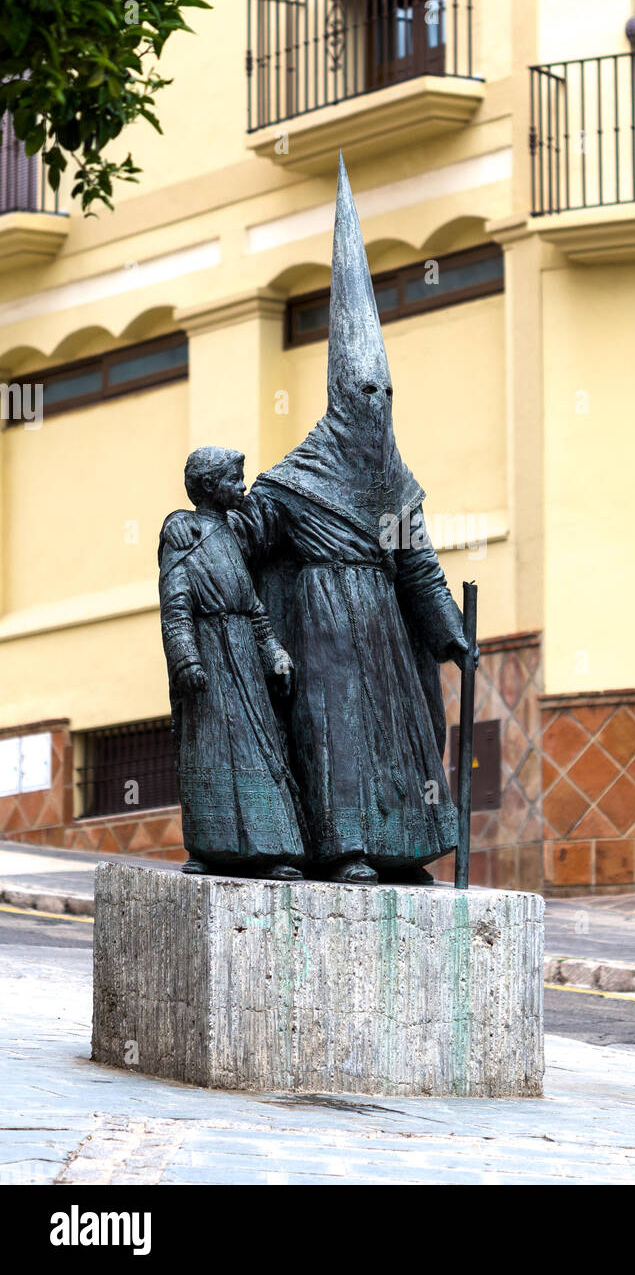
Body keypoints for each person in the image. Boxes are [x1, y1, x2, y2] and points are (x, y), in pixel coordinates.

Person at [165, 155, 476, 885]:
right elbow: (244, 531)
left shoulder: (394, 478)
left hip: (384, 630)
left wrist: (451, 635)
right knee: (335, 735)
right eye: (364, 389)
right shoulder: (297, 476)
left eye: (384, 391)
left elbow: (419, 567)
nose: (377, 401)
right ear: (341, 395)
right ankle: (346, 850)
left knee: (396, 737)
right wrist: (202, 522)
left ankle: (399, 849)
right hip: (322, 624)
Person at [158, 446, 305, 878]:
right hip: (210, 655)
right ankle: (208, 847)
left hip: (242, 651)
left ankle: (273, 847)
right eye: (233, 479)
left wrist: (274, 652)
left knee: (259, 749)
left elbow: (254, 606)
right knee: (209, 750)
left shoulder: (230, 532)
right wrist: (186, 660)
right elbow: (176, 604)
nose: (242, 486)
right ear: (208, 486)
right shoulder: (183, 536)